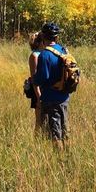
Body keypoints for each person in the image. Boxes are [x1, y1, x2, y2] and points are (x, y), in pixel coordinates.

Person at [34, 22, 70, 150]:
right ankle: (68, 154)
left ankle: (58, 161)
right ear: (56, 37)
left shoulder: (44, 55)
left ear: (43, 37)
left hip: (50, 99)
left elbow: (41, 78)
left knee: (54, 133)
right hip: (64, 97)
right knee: (64, 130)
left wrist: (32, 80)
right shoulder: (64, 50)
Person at [27, 32, 45, 134]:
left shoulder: (45, 53)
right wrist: (39, 97)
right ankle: (37, 143)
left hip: (46, 90)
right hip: (38, 91)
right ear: (39, 42)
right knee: (39, 121)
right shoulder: (35, 56)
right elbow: (35, 79)